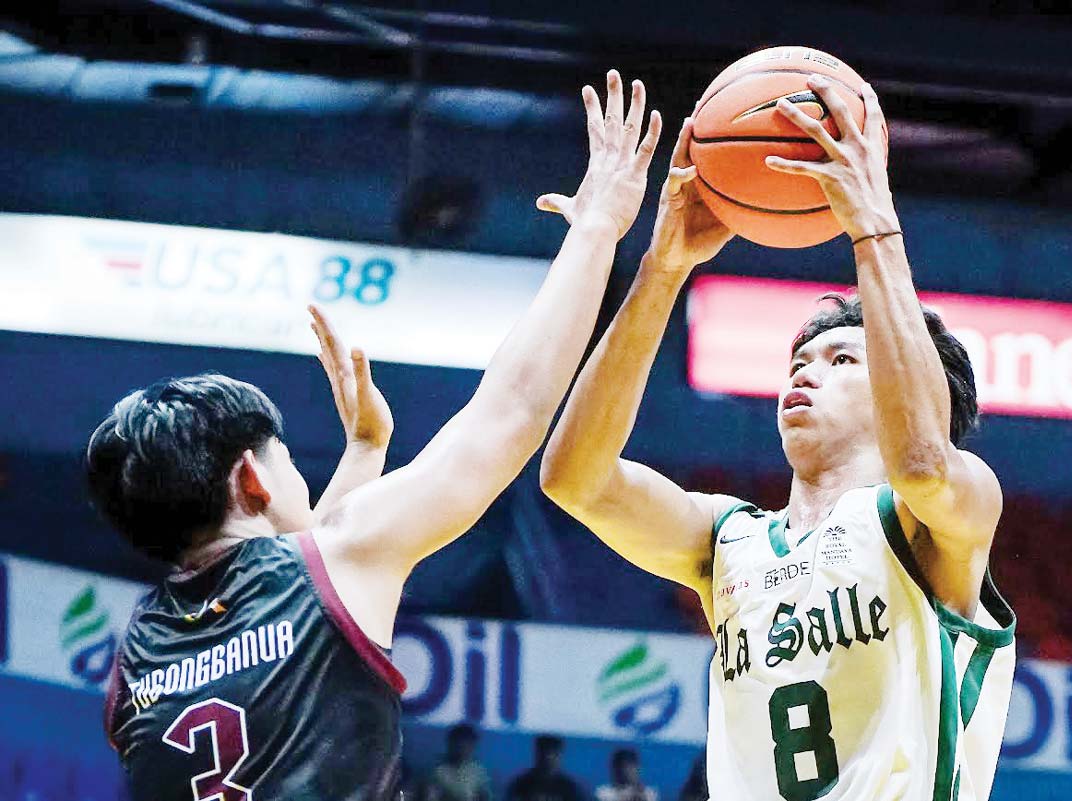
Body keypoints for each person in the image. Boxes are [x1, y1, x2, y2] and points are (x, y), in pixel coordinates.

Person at [90, 70, 662, 801]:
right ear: (252, 479)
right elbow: (511, 409)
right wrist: (597, 231)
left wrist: (364, 451)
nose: (298, 477)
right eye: (287, 461)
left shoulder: (137, 654)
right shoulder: (338, 558)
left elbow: (302, 581)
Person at [540, 73, 1015, 801]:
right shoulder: (728, 540)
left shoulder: (943, 513)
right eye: (799, 360)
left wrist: (872, 228)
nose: (805, 372)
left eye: (842, 358)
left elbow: (921, 463)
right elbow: (574, 478)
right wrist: (664, 267)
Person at [423, 724, 492, 801]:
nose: (464, 747)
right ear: (451, 743)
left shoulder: (479, 771)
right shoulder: (437, 770)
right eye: (460, 743)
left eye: (469, 743)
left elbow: (485, 796)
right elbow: (431, 798)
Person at [505, 735, 583, 801]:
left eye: (553, 752)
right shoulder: (520, 785)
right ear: (537, 753)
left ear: (560, 754)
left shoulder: (570, 788)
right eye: (544, 751)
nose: (548, 757)